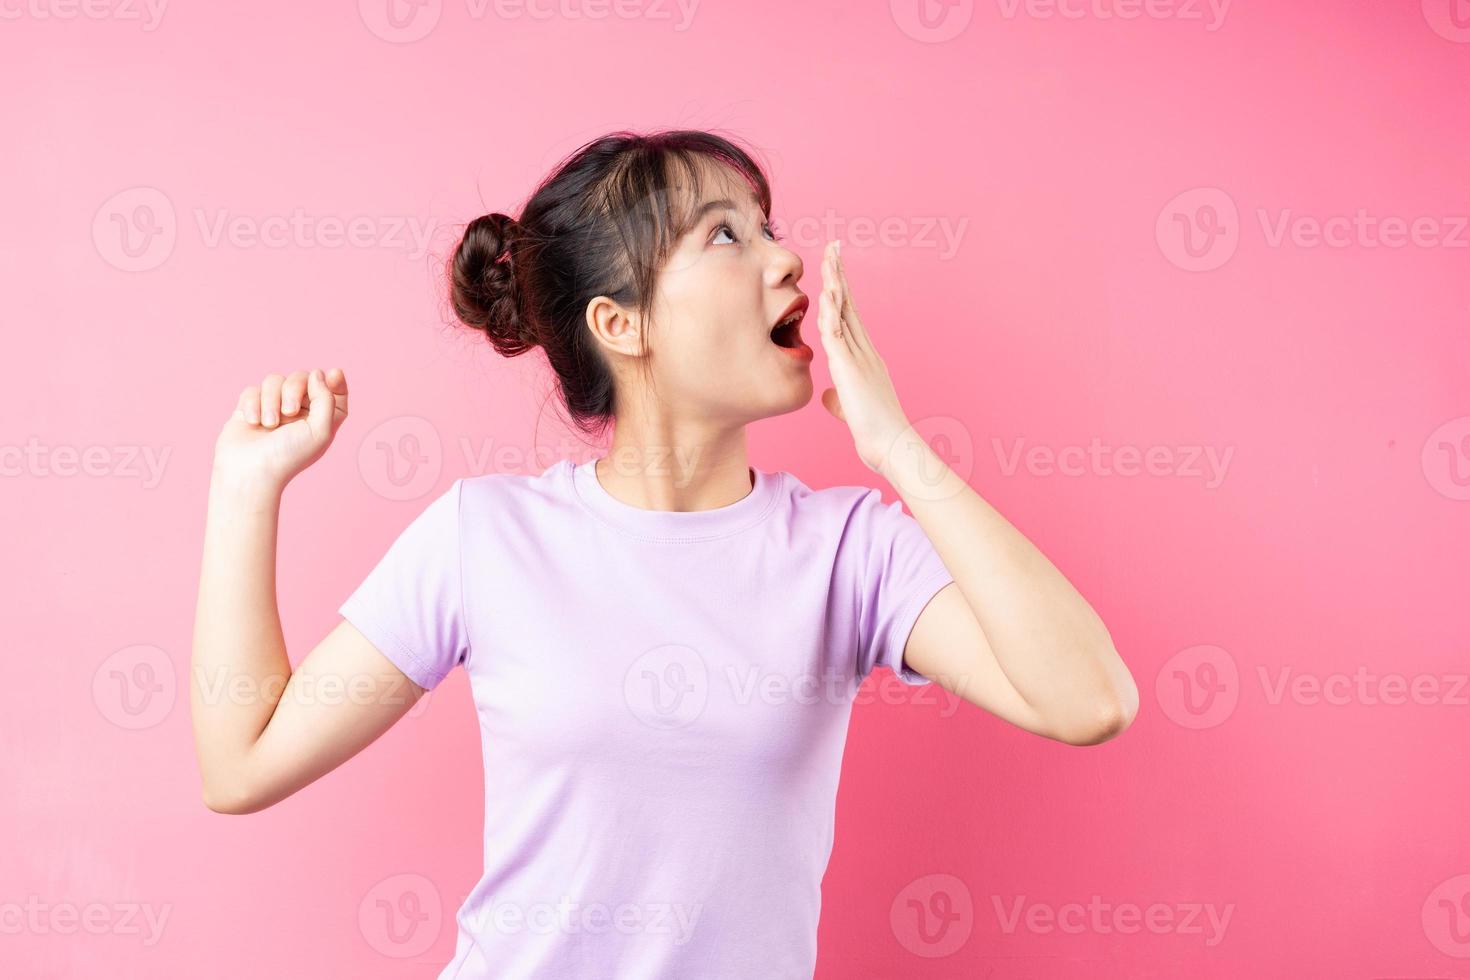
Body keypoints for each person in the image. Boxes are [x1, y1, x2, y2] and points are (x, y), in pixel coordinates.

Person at [191, 129, 1139, 978]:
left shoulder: (849, 552)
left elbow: (1088, 700)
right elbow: (241, 765)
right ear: (622, 324)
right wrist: (245, 488)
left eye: (768, 227)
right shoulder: (485, 539)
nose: (786, 258)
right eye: (727, 235)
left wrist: (896, 447)